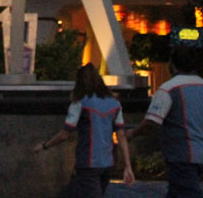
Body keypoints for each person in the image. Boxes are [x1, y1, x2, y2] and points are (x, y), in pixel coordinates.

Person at [126, 44, 203, 198]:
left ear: (172, 64)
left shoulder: (168, 89)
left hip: (180, 155)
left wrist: (131, 133)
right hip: (202, 155)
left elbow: (152, 122)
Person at [33, 63, 135, 197]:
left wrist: (45, 145)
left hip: (88, 162)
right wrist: (128, 166)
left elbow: (65, 134)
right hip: (108, 163)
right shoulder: (114, 104)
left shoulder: (80, 103)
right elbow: (121, 136)